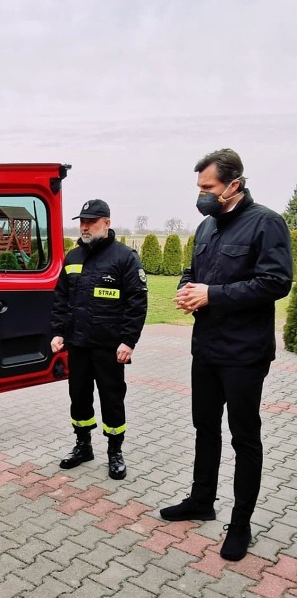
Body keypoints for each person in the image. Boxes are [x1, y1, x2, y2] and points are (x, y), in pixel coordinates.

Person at [160, 149, 292, 561]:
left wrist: (212, 295)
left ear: (234, 184)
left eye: (208, 188)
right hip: (207, 349)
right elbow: (192, 272)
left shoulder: (266, 223)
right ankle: (202, 501)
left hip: (244, 353)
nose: (201, 195)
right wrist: (187, 289)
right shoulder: (206, 226)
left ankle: (241, 522)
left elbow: (276, 282)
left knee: (244, 437)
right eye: (199, 188)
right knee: (205, 428)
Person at [50, 199, 148, 480]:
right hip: (78, 344)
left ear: (106, 223)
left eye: (90, 221)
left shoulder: (124, 258)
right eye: (81, 221)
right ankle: (83, 446)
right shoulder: (72, 258)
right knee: (78, 397)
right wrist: (58, 332)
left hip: (109, 346)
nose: (84, 226)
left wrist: (128, 341)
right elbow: (60, 299)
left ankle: (115, 452)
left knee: (112, 398)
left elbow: (137, 302)